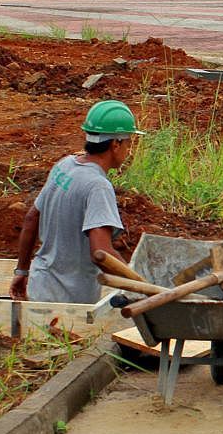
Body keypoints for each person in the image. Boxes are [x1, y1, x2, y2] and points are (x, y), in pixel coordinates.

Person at [10, 100, 144, 303]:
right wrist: (141, 285)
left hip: (39, 289)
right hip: (69, 305)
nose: (129, 149)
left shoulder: (64, 166)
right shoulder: (97, 186)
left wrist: (21, 271)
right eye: (128, 142)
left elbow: (31, 218)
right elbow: (101, 253)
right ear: (115, 144)